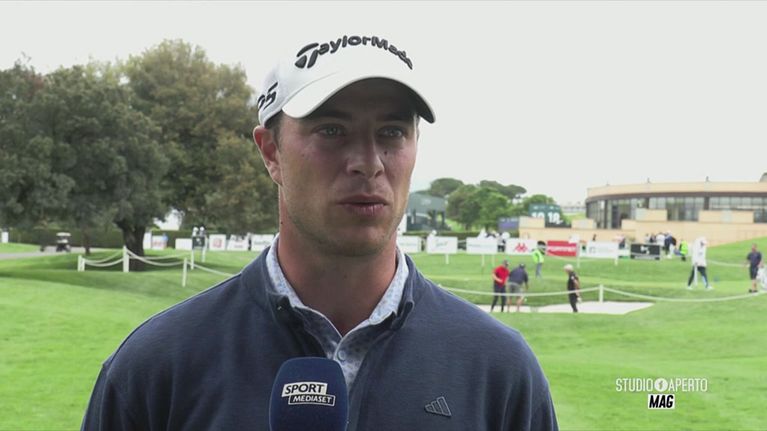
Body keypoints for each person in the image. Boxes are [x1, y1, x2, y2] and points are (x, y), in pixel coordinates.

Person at [80, 36, 557, 430]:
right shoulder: (157, 366)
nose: (368, 163)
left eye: (392, 132)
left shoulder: (499, 369)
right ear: (271, 153)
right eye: (331, 131)